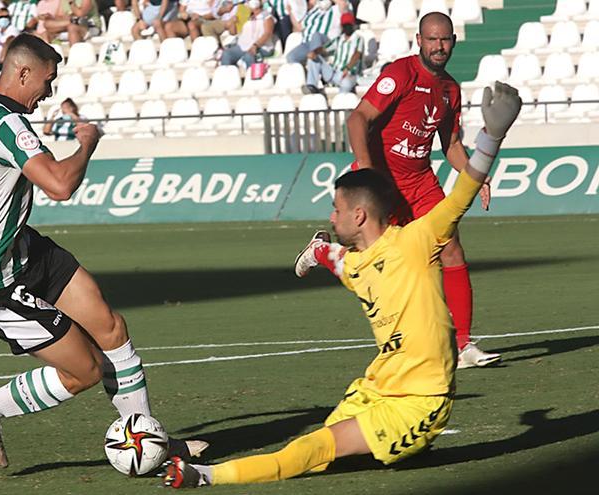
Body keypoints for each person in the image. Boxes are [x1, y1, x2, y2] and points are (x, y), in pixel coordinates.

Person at [163, 81, 522, 489]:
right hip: (375, 390)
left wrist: (491, 136)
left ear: (361, 216)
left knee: (310, 449)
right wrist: (318, 253)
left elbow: (461, 195)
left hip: (419, 402)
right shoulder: (354, 263)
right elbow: (338, 260)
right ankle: (404, 449)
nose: (332, 217)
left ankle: (203, 477)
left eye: (337, 210)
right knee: (322, 460)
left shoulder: (416, 242)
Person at [0, 33, 207, 470]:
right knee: (86, 371)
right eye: (48, 79)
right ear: (23, 72)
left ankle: (147, 439)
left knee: (111, 327)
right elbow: (59, 185)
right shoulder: (7, 125)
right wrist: (88, 145)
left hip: (25, 250)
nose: (49, 91)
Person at [347, 12, 501, 369]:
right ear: (419, 40)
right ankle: (327, 250)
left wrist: (476, 175)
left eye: (444, 40)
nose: (438, 46)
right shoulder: (400, 74)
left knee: (451, 249)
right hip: (384, 184)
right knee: (387, 266)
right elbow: (358, 119)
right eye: (431, 39)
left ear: (453, 42)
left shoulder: (450, 89)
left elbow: (450, 145)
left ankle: (462, 346)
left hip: (420, 181)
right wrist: (368, 172)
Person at [293, 11, 361, 94]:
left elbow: (357, 54)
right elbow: (324, 49)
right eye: (345, 25)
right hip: (335, 73)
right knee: (314, 58)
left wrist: (348, 68)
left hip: (349, 74)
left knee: (346, 84)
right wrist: (315, 52)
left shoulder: (358, 39)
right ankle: (311, 86)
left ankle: (341, 103)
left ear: (353, 25)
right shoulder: (339, 39)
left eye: (348, 25)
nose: (347, 28)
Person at [220, 0, 275, 69]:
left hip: (261, 47)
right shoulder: (244, 16)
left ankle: (251, 77)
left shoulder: (267, 16)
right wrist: (233, 23)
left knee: (249, 56)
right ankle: (228, 76)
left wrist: (255, 45)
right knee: (227, 54)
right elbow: (233, 32)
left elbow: (267, 33)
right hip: (243, 46)